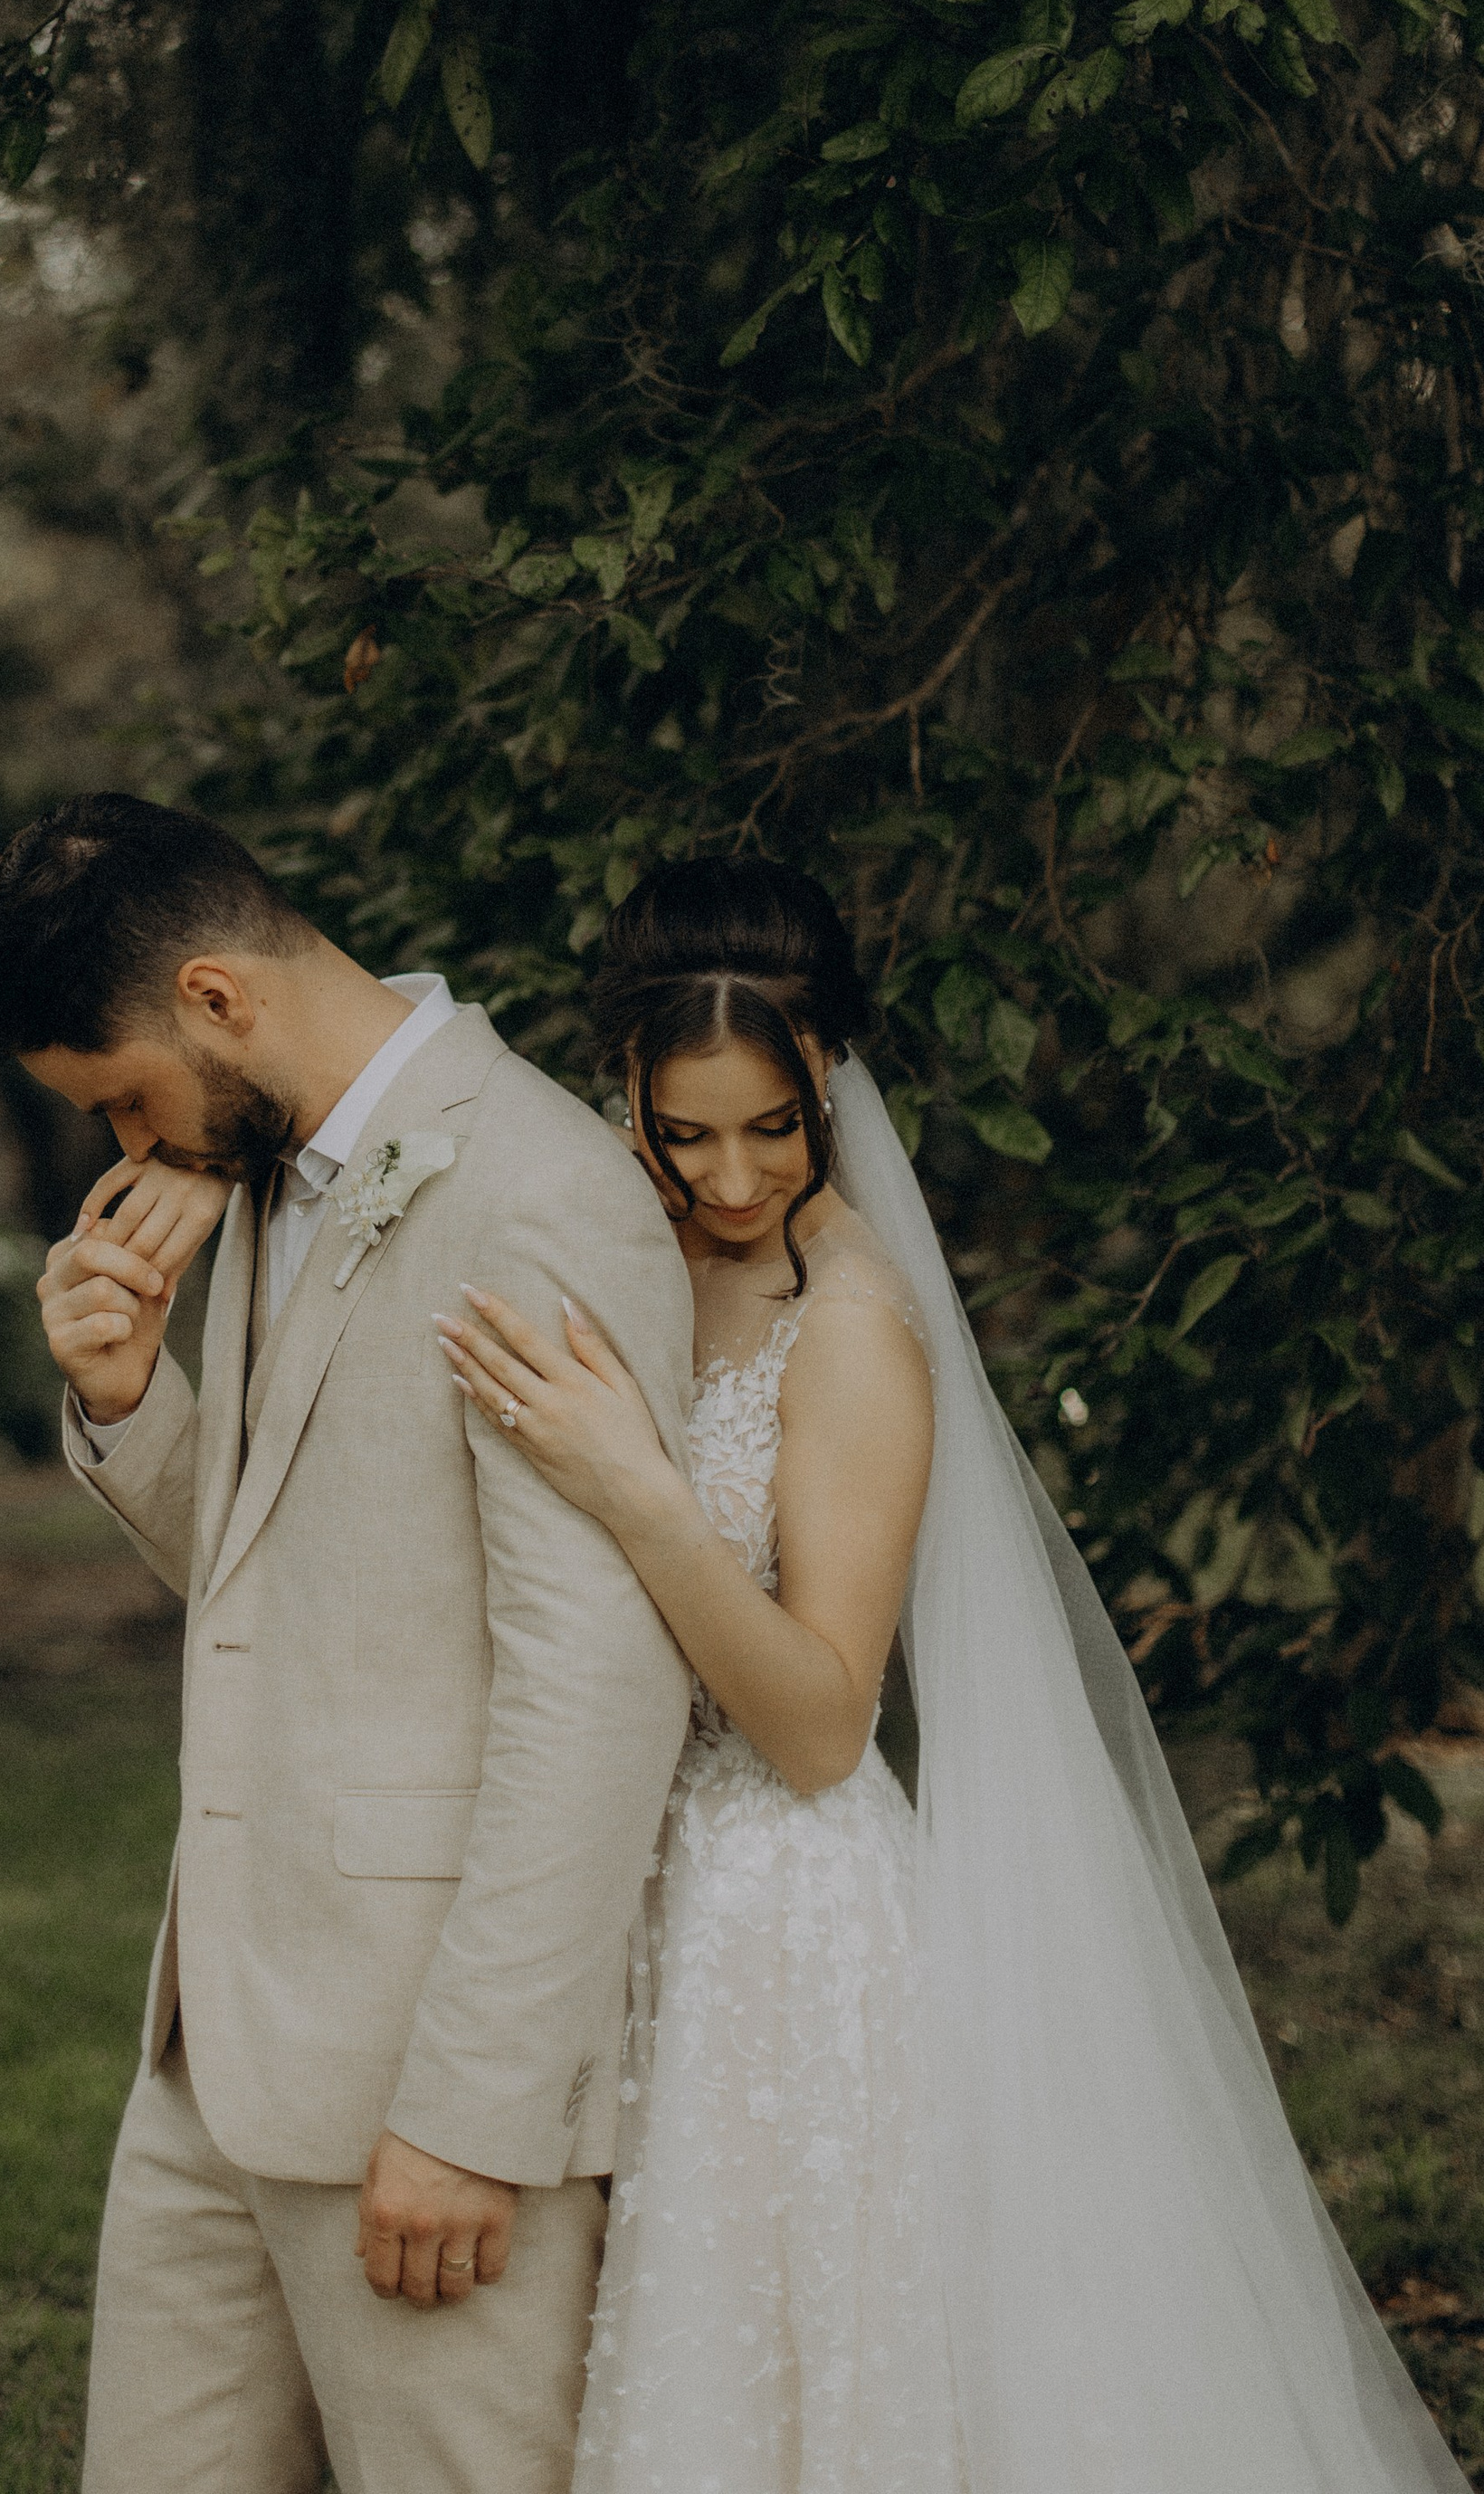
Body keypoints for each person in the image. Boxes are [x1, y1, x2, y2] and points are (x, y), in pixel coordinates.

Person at [433, 852, 1469, 2494]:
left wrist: (637, 1489)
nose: (726, 1178)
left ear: (833, 1070)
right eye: (684, 1128)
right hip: (616, 1873)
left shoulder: (847, 1326)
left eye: (774, 1125)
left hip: (773, 1922)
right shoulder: (621, 1251)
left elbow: (828, 1720)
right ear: (618, 1080)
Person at [0, 793, 698, 2494]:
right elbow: (296, 1587)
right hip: (213, 2044)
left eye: (123, 1096)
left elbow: (598, 1692)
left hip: (419, 2086)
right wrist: (132, 1398)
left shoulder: (538, 1192)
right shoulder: (268, 1164)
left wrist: (476, 2109)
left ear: (216, 998)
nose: (124, 1146)